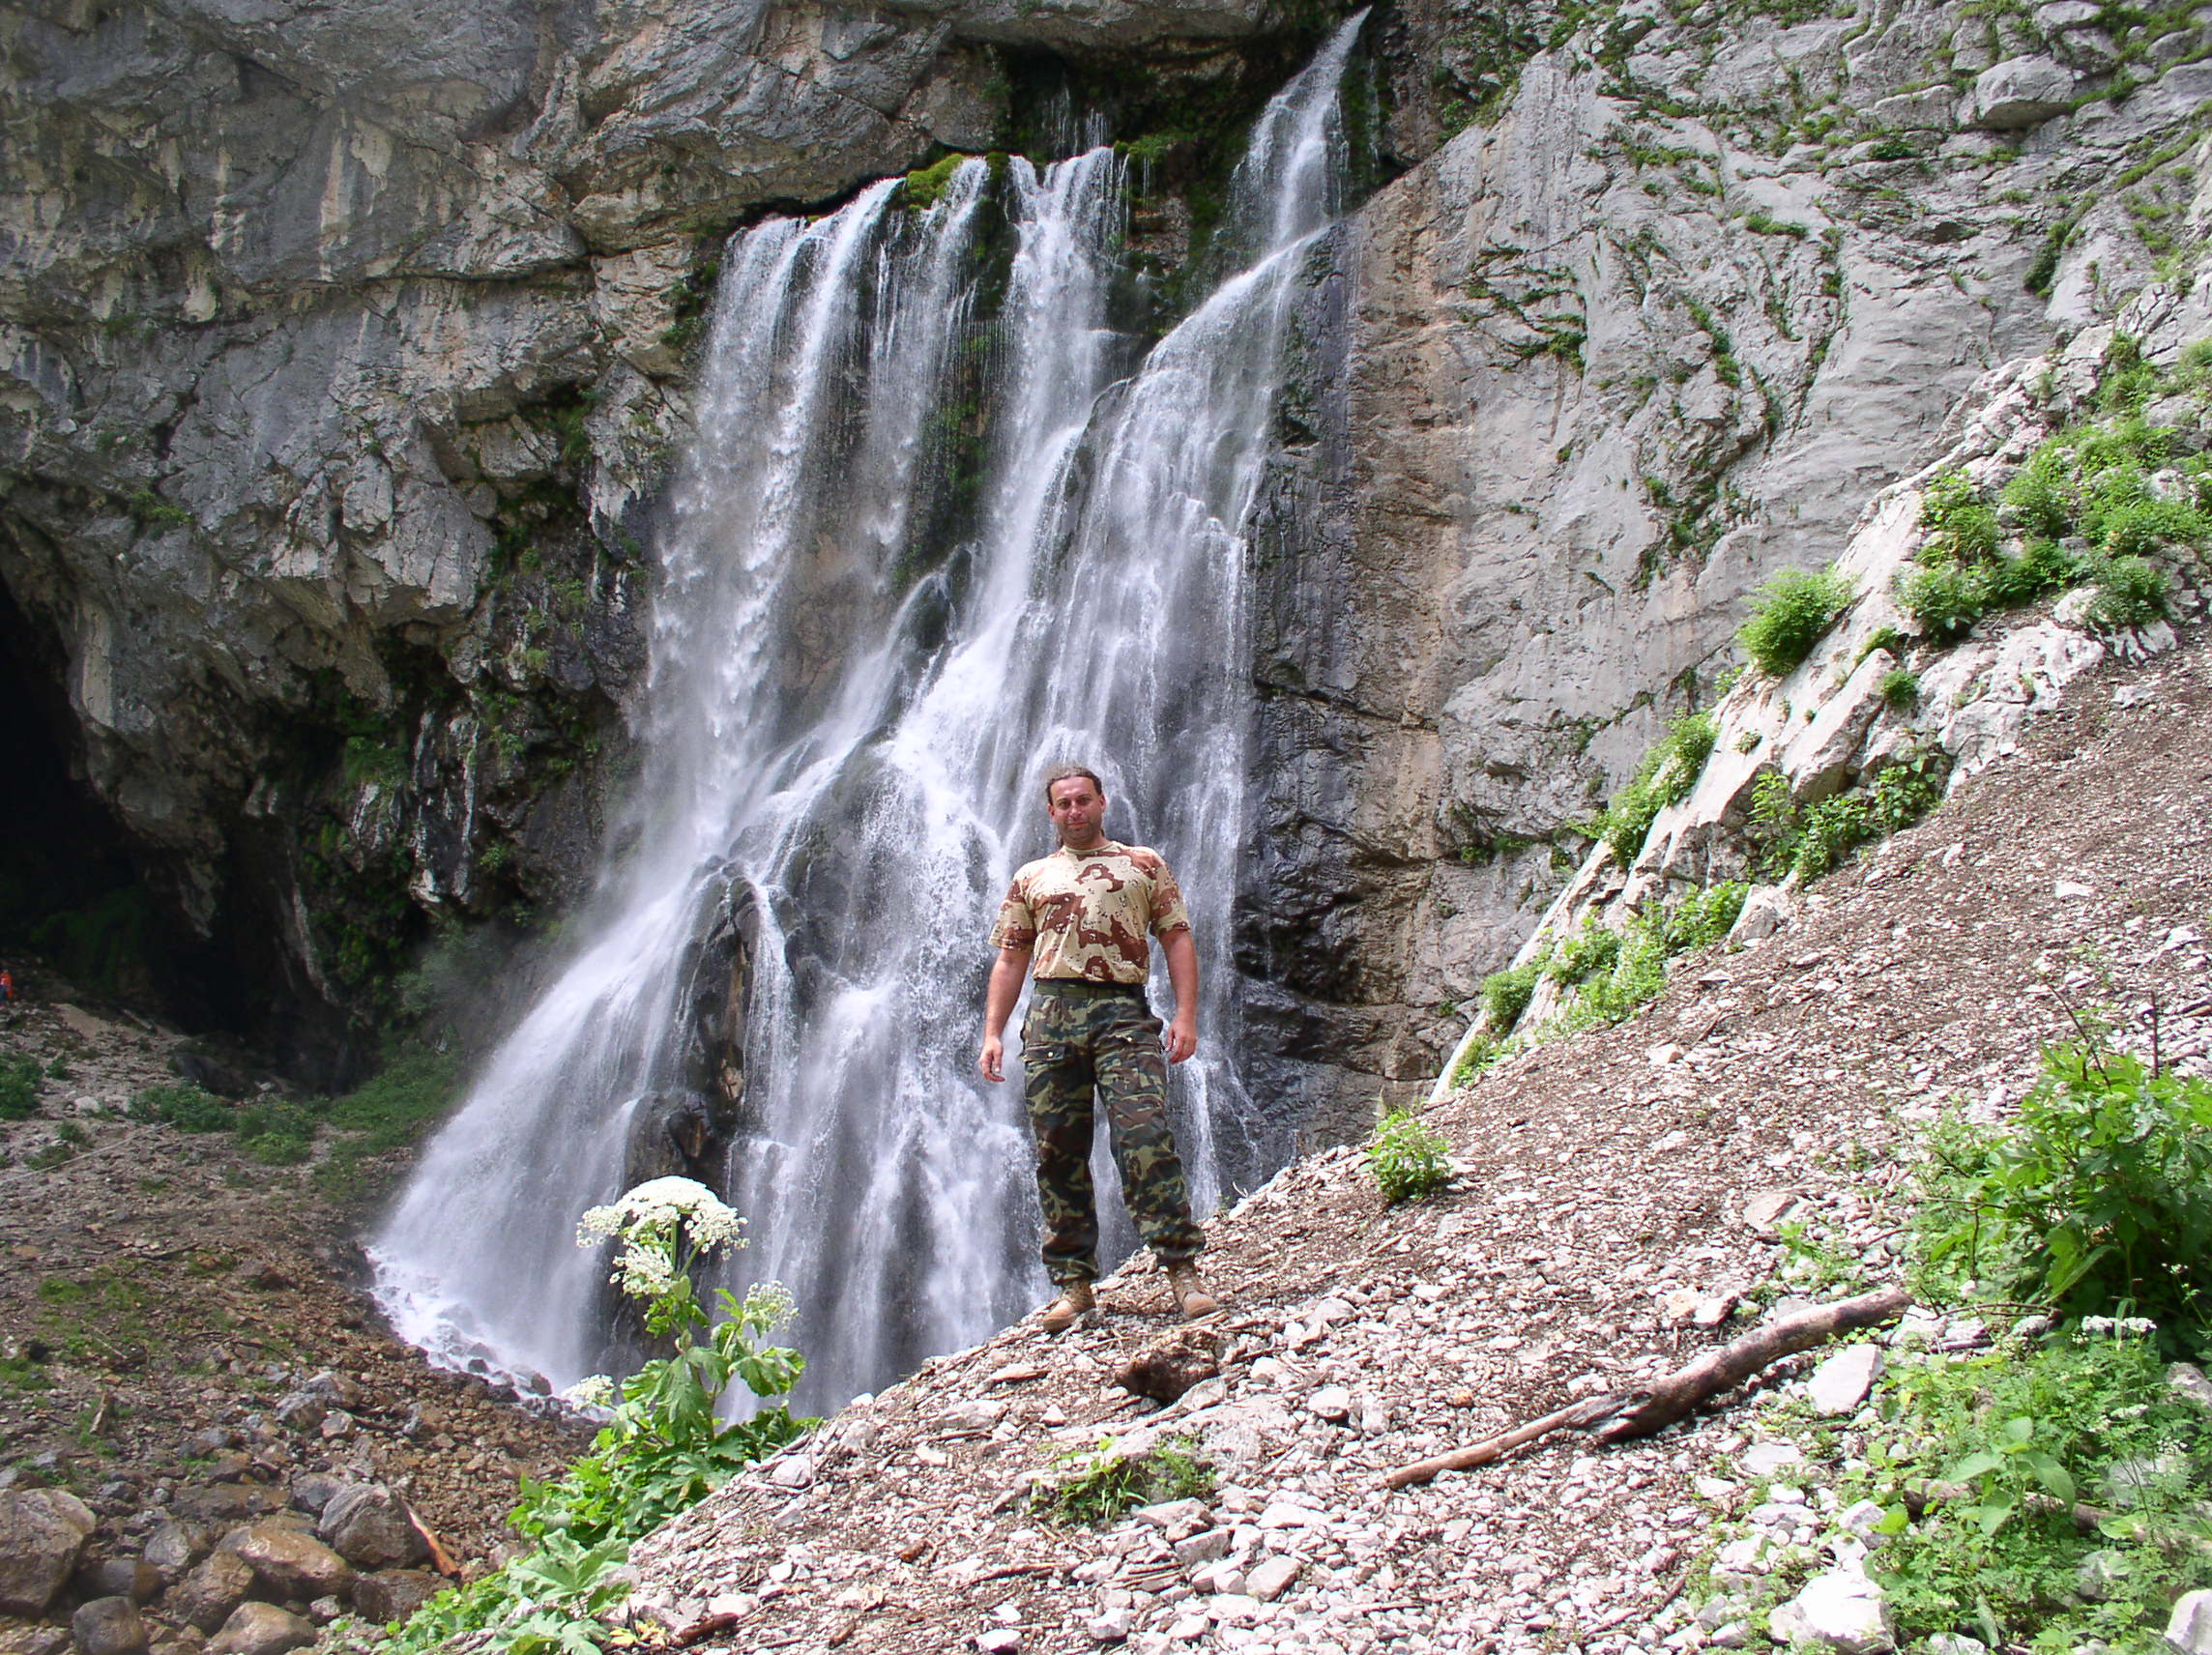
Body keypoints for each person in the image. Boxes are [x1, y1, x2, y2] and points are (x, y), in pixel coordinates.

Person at [978, 764, 1218, 1332]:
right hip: (1051, 1016)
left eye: (1083, 800)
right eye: (1063, 803)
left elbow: (1177, 937)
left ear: (1103, 802)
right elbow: (1011, 958)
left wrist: (1186, 1016)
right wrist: (992, 1031)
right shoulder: (1031, 876)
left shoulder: (1143, 864)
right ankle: (1074, 1286)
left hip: (1124, 1015)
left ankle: (1182, 1271)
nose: (1074, 811)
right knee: (1057, 1152)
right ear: (1051, 812)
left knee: (1145, 1135)